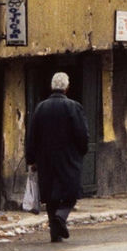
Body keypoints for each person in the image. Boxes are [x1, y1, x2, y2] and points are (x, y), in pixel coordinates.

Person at [26, 72, 89, 242]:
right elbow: (82, 134)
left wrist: (31, 159)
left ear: (52, 87)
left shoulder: (41, 107)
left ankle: (55, 234)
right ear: (67, 88)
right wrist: (81, 151)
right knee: (71, 191)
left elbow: (32, 135)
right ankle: (61, 217)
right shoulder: (73, 107)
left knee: (50, 195)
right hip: (68, 157)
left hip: (45, 158)